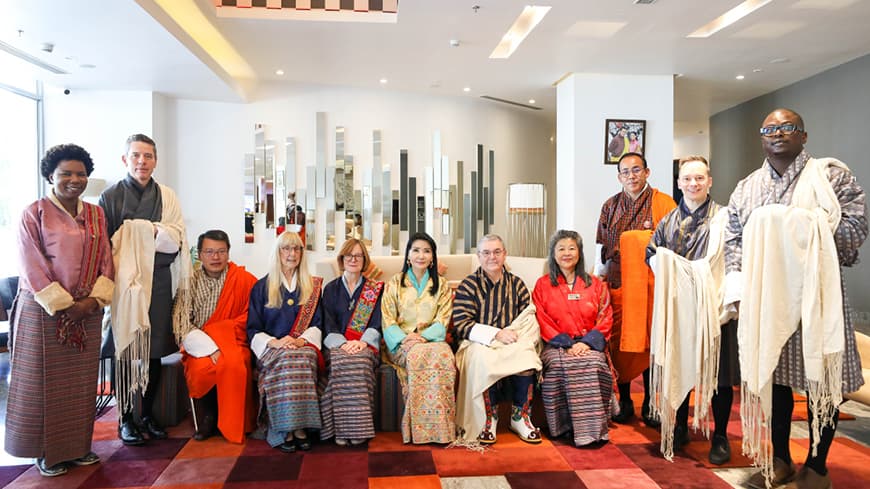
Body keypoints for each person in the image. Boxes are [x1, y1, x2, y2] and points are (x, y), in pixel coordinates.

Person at [724, 109, 867, 489]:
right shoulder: (747, 186)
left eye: (788, 128)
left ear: (804, 136)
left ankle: (817, 466)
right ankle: (780, 459)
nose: (778, 134)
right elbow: (733, 239)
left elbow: (855, 224)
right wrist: (737, 292)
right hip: (768, 299)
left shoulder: (831, 175)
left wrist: (804, 230)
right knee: (775, 383)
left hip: (819, 297)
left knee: (824, 383)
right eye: (769, 128)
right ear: (761, 137)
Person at [5, 144, 114, 477]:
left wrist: (91, 303)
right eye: (66, 173)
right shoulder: (33, 212)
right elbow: (31, 265)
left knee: (80, 385)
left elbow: (107, 260)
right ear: (50, 175)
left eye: (81, 174)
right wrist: (66, 305)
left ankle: (77, 448)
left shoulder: (96, 214)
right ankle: (47, 454)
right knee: (44, 385)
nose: (74, 179)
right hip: (44, 311)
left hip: (88, 310)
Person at [99, 134, 191, 446]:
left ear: (156, 160)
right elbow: (106, 244)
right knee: (125, 349)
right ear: (125, 159)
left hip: (160, 279)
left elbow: (176, 237)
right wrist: (148, 232)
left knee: (152, 351)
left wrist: (141, 230)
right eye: (136, 155)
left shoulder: (166, 195)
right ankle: (125, 418)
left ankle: (148, 414)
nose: (142, 161)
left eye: (148, 156)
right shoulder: (110, 196)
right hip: (125, 285)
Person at [646, 156, 738, 464]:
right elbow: (652, 252)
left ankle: (721, 435)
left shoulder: (725, 218)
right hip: (681, 306)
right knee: (680, 364)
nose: (693, 184)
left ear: (709, 181)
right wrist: (672, 268)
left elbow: (735, 257)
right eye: (687, 179)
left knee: (719, 376)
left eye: (699, 178)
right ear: (679, 183)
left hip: (716, 306)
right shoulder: (669, 220)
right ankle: (681, 426)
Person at [596, 152, 676, 426]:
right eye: (625, 171)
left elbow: (673, 247)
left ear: (647, 172)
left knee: (651, 346)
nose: (631, 176)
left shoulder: (663, 203)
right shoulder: (610, 206)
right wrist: (600, 282)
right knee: (620, 345)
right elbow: (601, 249)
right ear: (619, 176)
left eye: (636, 170)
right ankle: (625, 400)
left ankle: (653, 404)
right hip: (618, 285)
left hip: (651, 288)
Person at [453, 235, 542, 446]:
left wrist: (509, 336)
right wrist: (494, 335)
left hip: (512, 339)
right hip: (477, 343)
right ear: (478, 256)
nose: (492, 257)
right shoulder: (468, 285)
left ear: (504, 254)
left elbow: (527, 319)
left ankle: (520, 418)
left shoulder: (517, 285)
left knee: (528, 356)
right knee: (483, 359)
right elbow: (462, 323)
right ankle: (488, 419)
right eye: (486, 252)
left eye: (497, 252)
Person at [172, 230, 258, 443]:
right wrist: (210, 348)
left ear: (228, 253)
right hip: (199, 343)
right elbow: (181, 321)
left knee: (237, 364)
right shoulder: (188, 282)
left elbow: (253, 315)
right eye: (209, 252)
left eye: (221, 251)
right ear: (199, 254)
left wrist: (223, 335)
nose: (216, 257)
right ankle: (209, 417)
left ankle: (238, 420)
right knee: (202, 368)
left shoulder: (243, 280)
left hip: (235, 340)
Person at [533, 230, 614, 446]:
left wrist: (586, 343)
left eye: (571, 248)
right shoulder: (542, 285)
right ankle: (563, 428)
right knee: (559, 366)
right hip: (557, 345)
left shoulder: (596, 284)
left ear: (579, 253)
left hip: (589, 345)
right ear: (553, 254)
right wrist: (567, 344)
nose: (566, 253)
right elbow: (541, 318)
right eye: (561, 249)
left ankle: (594, 432)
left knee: (595, 364)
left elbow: (605, 316)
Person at [247, 231, 323, 453]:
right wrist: (274, 342)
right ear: (278, 253)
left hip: (303, 346)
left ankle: (300, 428)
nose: (292, 254)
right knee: (286, 360)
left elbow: (318, 323)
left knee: (301, 359)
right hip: (273, 348)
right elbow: (253, 328)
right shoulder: (262, 287)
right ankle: (284, 429)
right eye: (286, 249)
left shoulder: (311, 287)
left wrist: (301, 341)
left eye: (297, 249)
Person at [381, 232, 456, 444]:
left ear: (433, 257)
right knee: (417, 356)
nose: (421, 255)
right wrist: (406, 339)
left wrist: (421, 337)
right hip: (401, 344)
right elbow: (387, 319)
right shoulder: (394, 283)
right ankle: (420, 432)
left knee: (444, 357)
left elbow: (443, 320)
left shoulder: (441, 284)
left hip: (432, 342)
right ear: (408, 255)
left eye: (426, 251)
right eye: (416, 250)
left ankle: (442, 430)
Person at [319, 239, 383, 446]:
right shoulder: (330, 289)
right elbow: (326, 322)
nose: (353, 259)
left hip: (365, 346)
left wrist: (363, 342)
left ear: (365, 260)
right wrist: (342, 344)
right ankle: (339, 428)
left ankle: (356, 430)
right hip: (337, 346)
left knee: (360, 362)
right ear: (342, 259)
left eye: (358, 255)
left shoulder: (376, 289)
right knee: (341, 361)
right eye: (349, 255)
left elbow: (379, 320)